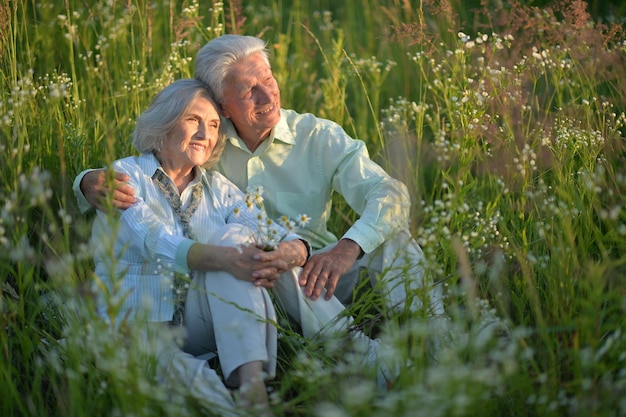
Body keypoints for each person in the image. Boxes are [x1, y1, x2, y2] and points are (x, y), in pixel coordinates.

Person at [75, 34, 444, 319]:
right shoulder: (206, 145)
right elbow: (153, 165)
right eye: (249, 90)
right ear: (224, 106)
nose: (268, 96)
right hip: (245, 284)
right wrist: (87, 181)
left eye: (268, 79)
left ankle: (440, 345)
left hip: (321, 272)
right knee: (268, 261)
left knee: (395, 239)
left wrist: (346, 251)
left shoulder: (318, 136)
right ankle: (353, 353)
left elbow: (390, 193)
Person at [91, 79, 378, 417]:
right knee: (200, 393)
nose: (205, 133)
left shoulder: (218, 188)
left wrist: (293, 250)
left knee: (249, 246)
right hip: (143, 326)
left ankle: (256, 387)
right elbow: (152, 239)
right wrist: (228, 260)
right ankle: (245, 403)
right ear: (166, 122)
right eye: (193, 120)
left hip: (205, 323)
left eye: (213, 125)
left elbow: (269, 230)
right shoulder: (125, 176)